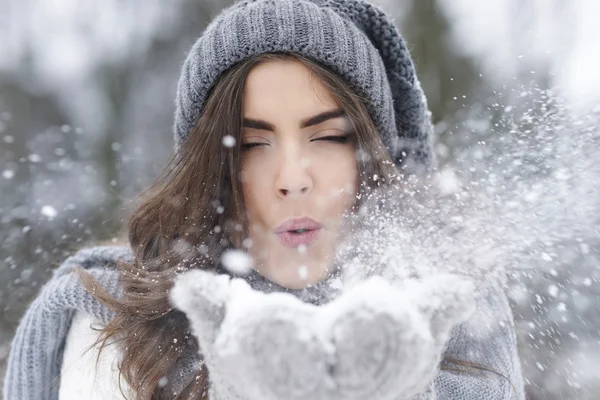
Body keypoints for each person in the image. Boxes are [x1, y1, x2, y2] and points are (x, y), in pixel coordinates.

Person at [3, 0, 525, 399]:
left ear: (371, 156)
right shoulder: (120, 329)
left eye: (326, 137)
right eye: (253, 144)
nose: (292, 179)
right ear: (211, 167)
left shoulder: (455, 314)